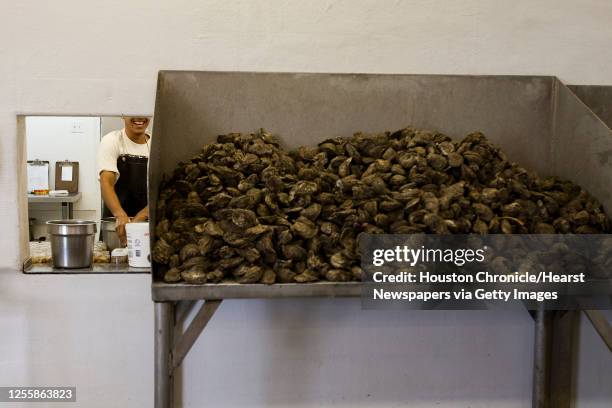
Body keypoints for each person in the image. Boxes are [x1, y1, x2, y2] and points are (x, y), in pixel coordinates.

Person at [97, 116, 151, 245]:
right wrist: (120, 215)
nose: (140, 117)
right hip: (115, 226)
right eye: (133, 111)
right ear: (123, 115)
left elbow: (163, 190)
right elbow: (106, 182)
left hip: (147, 227)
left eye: (144, 112)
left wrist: (143, 215)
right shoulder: (112, 140)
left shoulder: (156, 145)